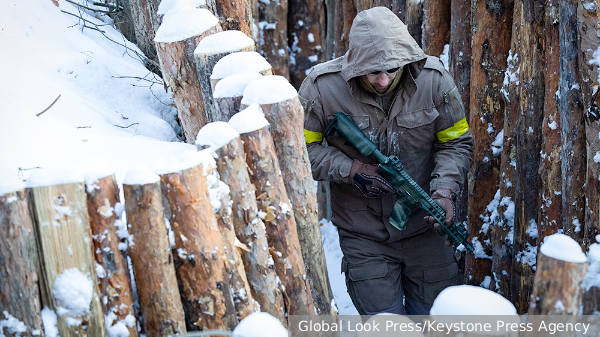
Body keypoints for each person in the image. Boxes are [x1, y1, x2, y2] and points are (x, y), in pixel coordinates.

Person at [299, 7, 474, 315]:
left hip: (425, 231)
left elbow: (456, 142)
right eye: (373, 72)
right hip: (363, 234)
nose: (383, 81)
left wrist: (444, 190)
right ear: (355, 63)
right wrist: (350, 170)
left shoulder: (434, 81)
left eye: (392, 70)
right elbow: (300, 153)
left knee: (436, 320)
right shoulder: (321, 88)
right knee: (385, 326)